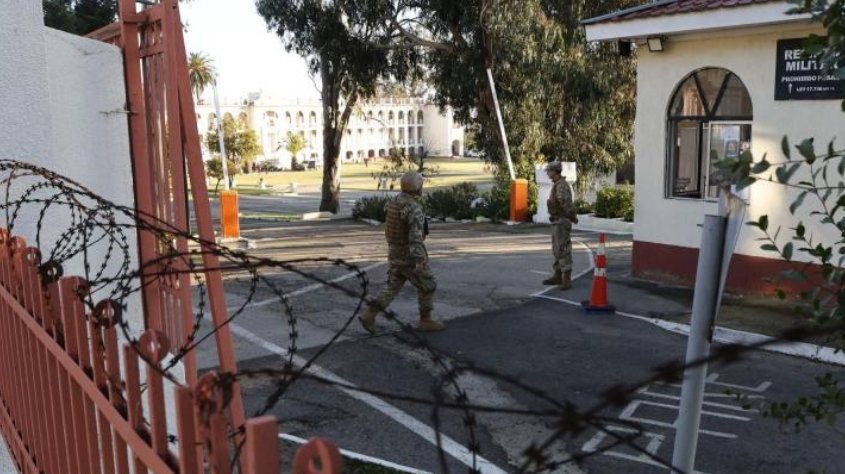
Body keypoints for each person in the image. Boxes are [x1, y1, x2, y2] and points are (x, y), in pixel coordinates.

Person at [359, 171, 445, 334]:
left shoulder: (395, 202)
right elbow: (415, 237)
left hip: (395, 251)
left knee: (393, 286)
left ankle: (369, 315)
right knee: (428, 284)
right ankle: (425, 320)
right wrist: (419, 260)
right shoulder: (413, 208)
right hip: (409, 255)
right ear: (416, 187)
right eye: (420, 184)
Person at [543, 161, 578, 290]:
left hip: (561, 221)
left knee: (563, 249)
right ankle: (558, 275)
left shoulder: (561, 185)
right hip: (557, 221)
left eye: (549, 171)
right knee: (557, 249)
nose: (548, 173)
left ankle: (566, 278)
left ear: (555, 171)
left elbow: (564, 203)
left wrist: (572, 217)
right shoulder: (558, 184)